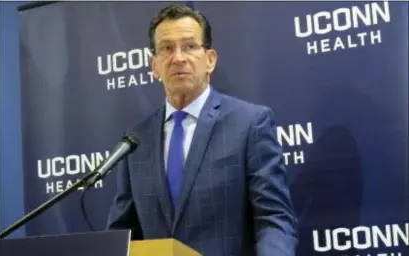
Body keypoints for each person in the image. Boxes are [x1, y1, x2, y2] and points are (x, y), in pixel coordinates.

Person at [106, 4, 298, 255]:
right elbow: (126, 234)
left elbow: (274, 218)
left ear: (210, 60)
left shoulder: (250, 124)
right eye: (166, 48)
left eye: (190, 46)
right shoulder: (136, 140)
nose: (178, 57)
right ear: (154, 66)